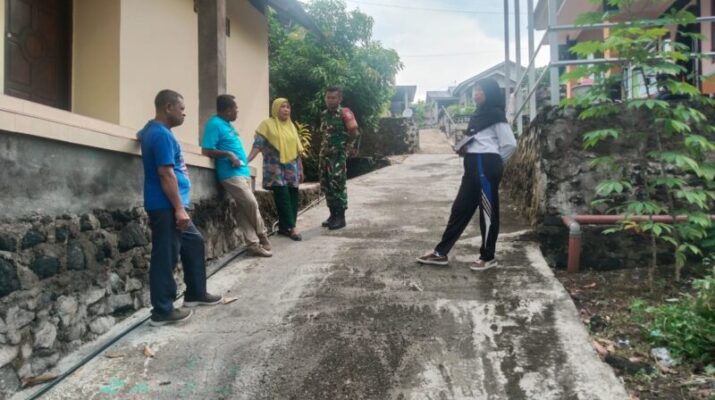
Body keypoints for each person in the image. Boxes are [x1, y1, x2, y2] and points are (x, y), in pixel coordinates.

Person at [137, 89, 223, 326]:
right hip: (166, 205)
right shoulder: (161, 135)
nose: (184, 114)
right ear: (168, 108)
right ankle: (162, 311)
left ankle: (195, 293)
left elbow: (141, 133)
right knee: (165, 256)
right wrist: (179, 209)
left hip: (170, 205)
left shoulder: (152, 130)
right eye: (181, 109)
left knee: (193, 242)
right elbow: (165, 173)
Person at [416, 77, 517, 271]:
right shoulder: (477, 115)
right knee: (460, 209)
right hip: (471, 167)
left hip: (486, 167)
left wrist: (496, 162)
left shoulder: (496, 115)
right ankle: (441, 252)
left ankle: (488, 257)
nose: (476, 93)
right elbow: (476, 140)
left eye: (481, 90)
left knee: (487, 213)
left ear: (490, 93)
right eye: (475, 90)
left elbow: (510, 144)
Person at [201, 94, 272, 257]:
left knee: (244, 210)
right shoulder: (214, 124)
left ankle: (253, 245)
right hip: (230, 174)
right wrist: (229, 154)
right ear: (227, 110)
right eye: (235, 109)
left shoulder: (227, 125)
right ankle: (262, 235)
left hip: (242, 172)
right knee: (251, 203)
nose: (237, 112)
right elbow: (206, 150)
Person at [248, 98, 305, 241]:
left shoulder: (291, 126)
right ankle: (292, 228)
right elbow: (258, 145)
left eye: (288, 107)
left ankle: (285, 227)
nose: (286, 109)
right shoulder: (267, 125)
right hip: (275, 167)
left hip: (292, 167)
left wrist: (300, 169)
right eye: (282, 107)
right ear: (275, 109)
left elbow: (297, 150)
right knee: (283, 195)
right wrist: (246, 160)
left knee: (293, 194)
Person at [319, 86, 359, 230]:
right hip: (325, 155)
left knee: (337, 184)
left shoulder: (345, 112)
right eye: (328, 97)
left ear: (339, 99)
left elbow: (354, 131)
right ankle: (332, 215)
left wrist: (347, 147)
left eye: (333, 98)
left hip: (338, 155)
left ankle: (341, 218)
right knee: (327, 184)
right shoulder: (324, 114)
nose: (330, 100)